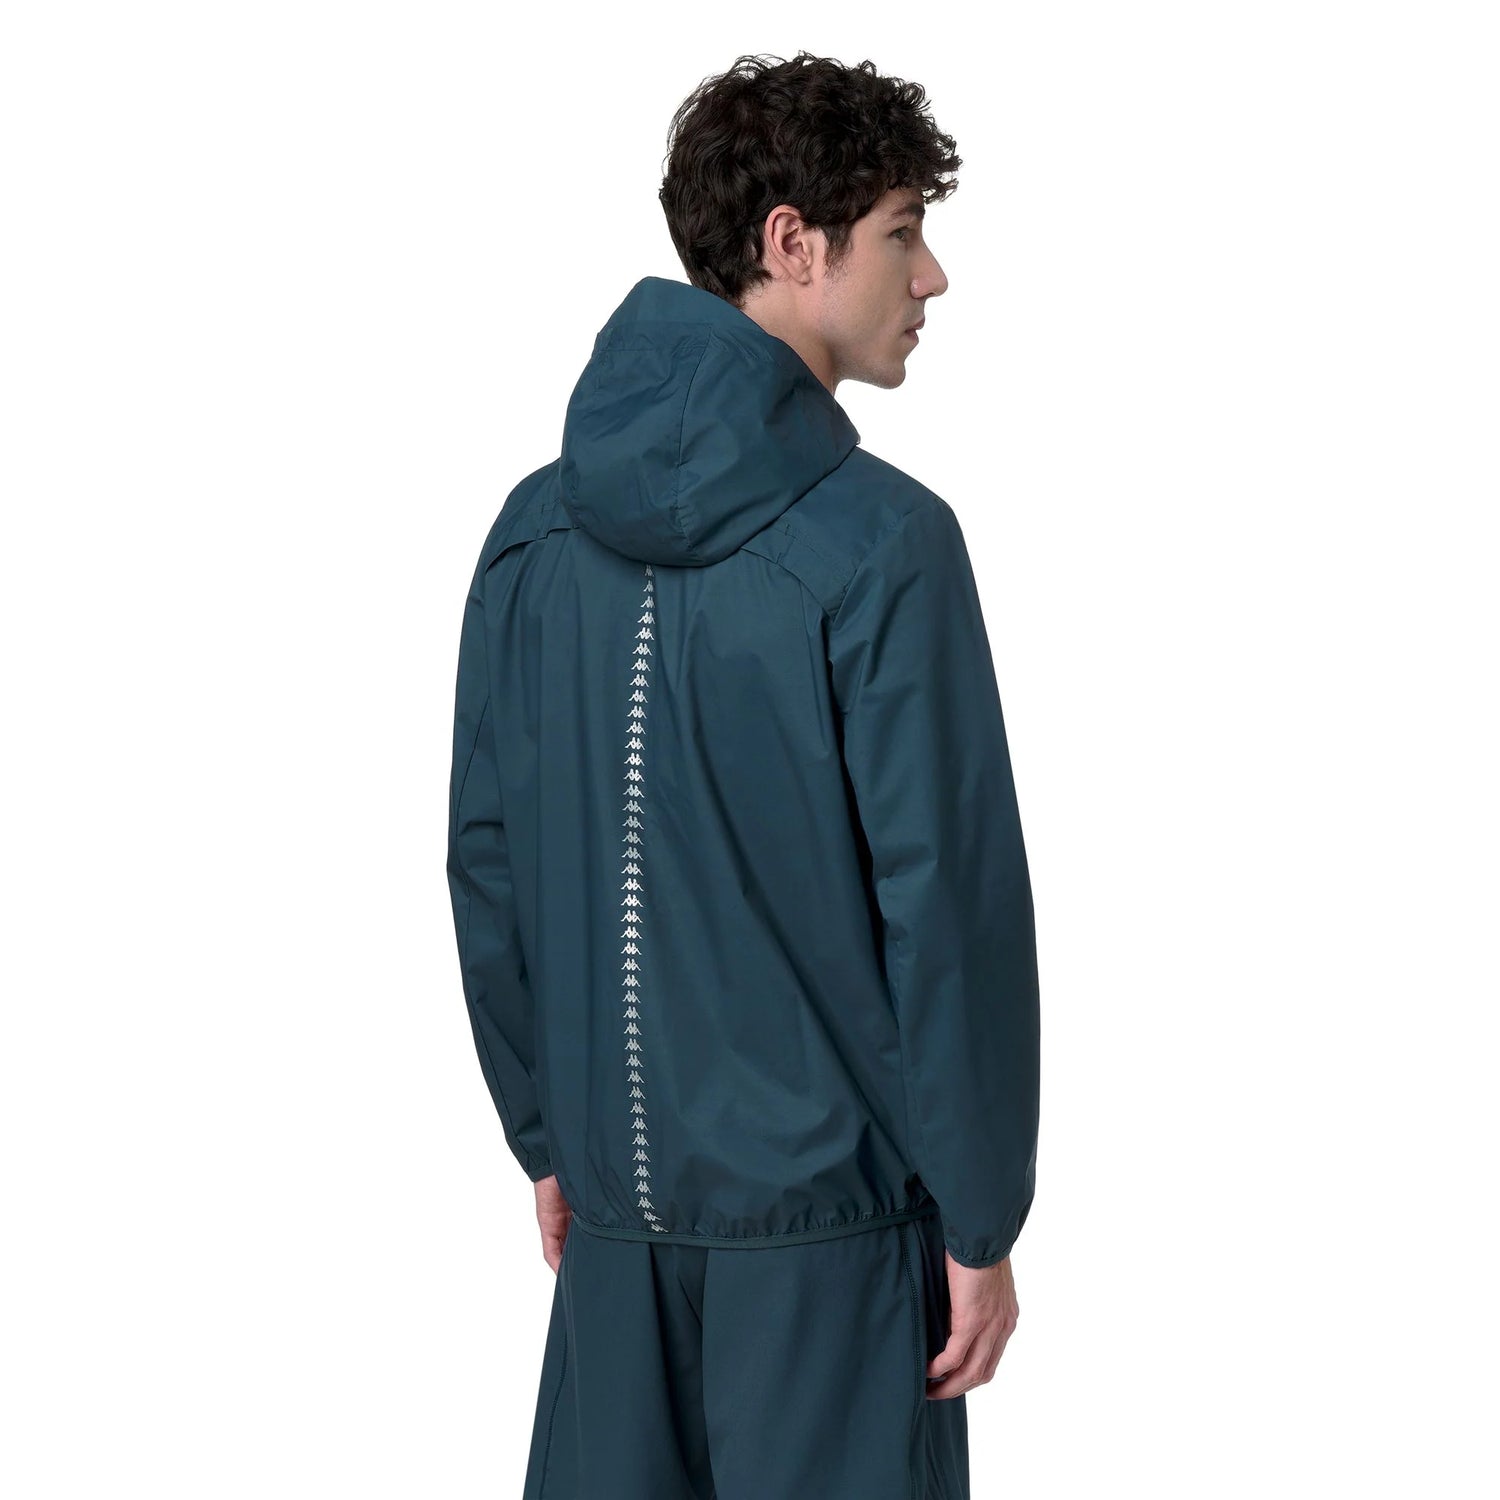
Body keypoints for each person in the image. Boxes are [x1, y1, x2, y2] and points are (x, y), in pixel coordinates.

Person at [445, 50, 1040, 1500]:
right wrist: (981, 1220)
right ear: (793, 243)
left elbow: (490, 860)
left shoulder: (533, 533)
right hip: (838, 1261)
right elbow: (947, 910)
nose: (932, 277)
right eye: (902, 232)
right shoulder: (884, 546)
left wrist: (549, 1139)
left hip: (612, 1245)